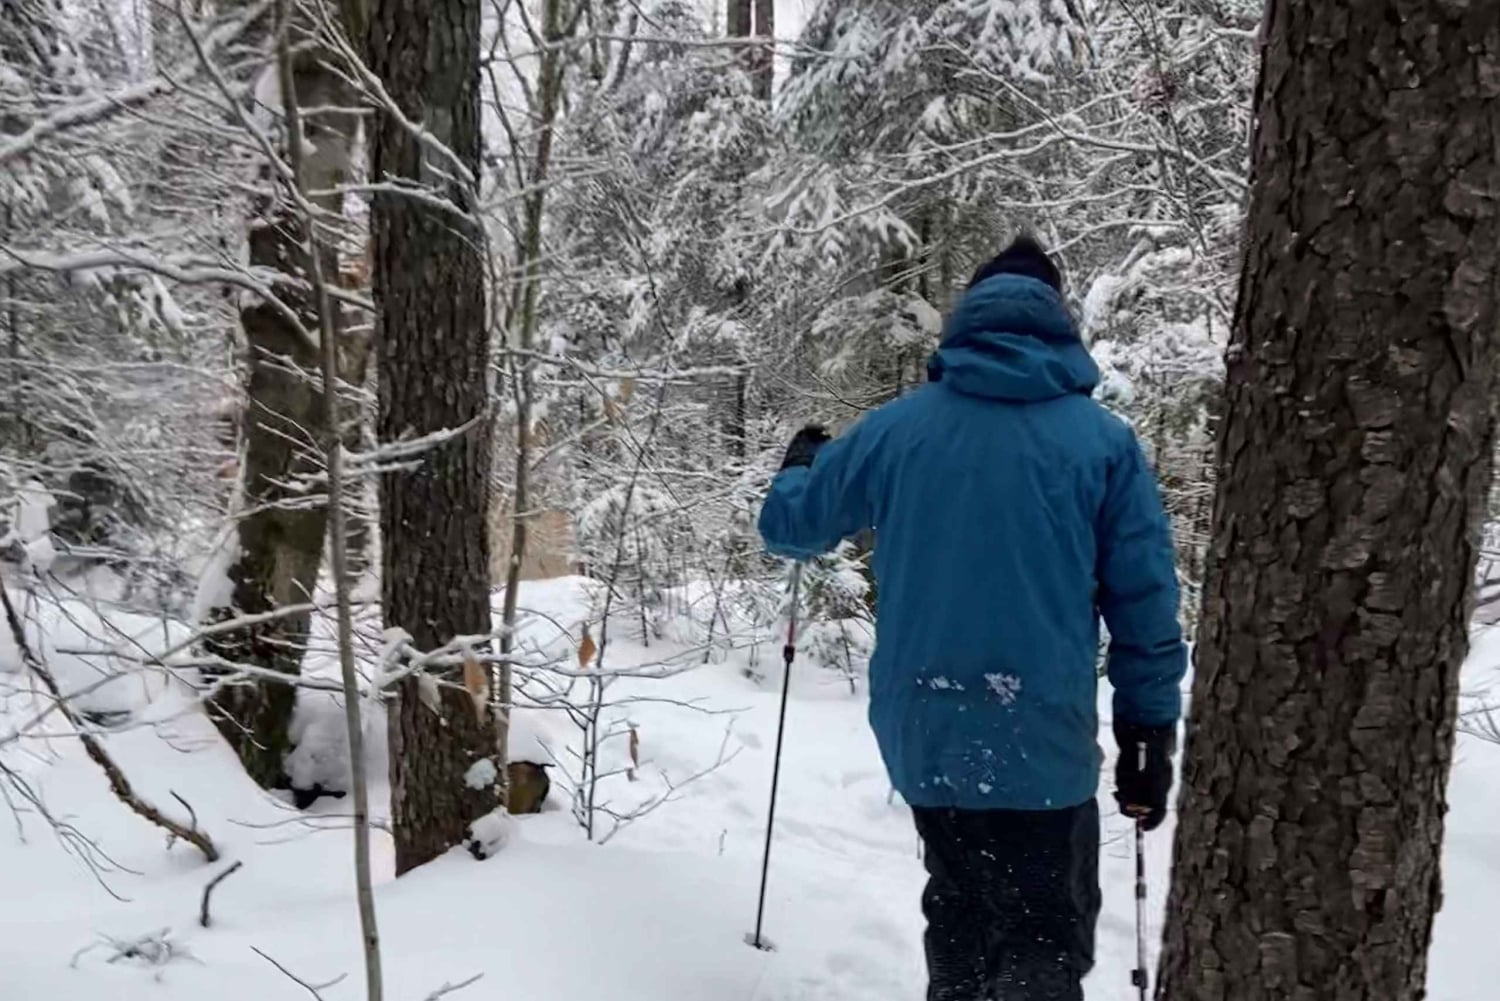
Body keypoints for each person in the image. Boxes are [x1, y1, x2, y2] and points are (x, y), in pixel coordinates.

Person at [758, 235, 1187, 1001]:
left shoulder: (897, 431)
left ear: (968, 318)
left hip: (929, 733)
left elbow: (791, 527)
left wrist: (798, 470)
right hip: (1042, 739)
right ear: (1057, 320)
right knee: (1042, 937)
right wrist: (1148, 730)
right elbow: (1143, 599)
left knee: (958, 908)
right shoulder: (1101, 445)